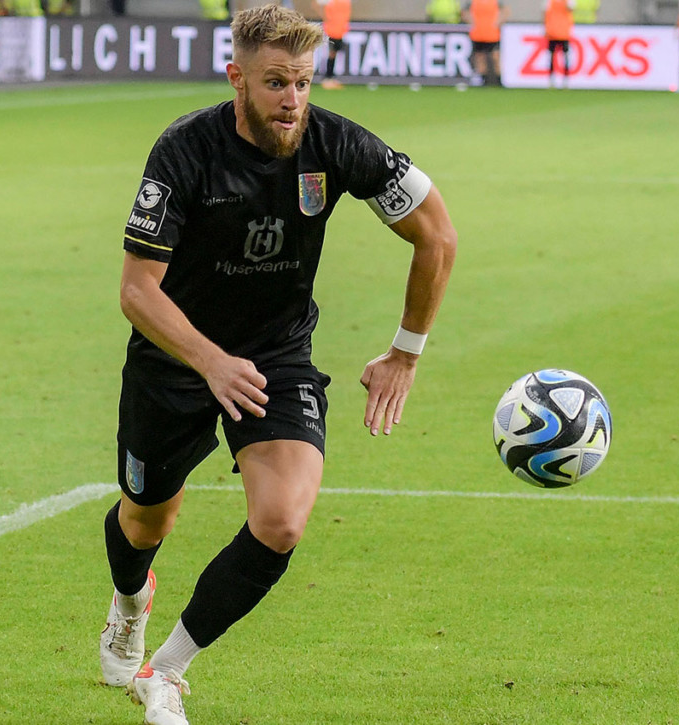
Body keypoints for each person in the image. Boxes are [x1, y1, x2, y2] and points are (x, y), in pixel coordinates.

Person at [99, 6, 457, 725]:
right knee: (146, 519)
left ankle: (164, 670)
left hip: (275, 355)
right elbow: (138, 291)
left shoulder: (335, 143)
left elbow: (437, 235)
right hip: (176, 355)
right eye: (275, 83)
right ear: (237, 79)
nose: (292, 99)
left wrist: (405, 352)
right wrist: (209, 361)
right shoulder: (184, 151)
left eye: (302, 81)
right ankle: (131, 601)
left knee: (282, 519)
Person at [463, 0, 509, 86]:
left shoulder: (495, 2)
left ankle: (499, 81)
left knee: (495, 57)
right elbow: (464, 12)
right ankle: (483, 81)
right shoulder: (473, 2)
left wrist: (498, 22)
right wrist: (472, 22)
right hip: (478, 34)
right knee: (480, 58)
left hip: (492, 34)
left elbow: (505, 10)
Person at [313, 0, 351, 89]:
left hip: (340, 31)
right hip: (332, 31)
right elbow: (315, 3)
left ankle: (331, 77)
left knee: (334, 54)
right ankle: (327, 78)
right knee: (332, 53)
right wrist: (325, 18)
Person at [544, 0, 576, 88]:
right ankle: (552, 79)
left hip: (562, 32)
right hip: (554, 32)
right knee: (553, 57)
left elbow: (571, 9)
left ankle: (565, 79)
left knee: (563, 57)